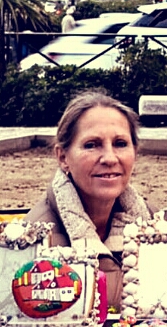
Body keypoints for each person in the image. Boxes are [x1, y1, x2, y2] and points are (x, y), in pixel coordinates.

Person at [24, 90, 153, 310]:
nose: (110, 158)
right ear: (63, 157)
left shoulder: (153, 223)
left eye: (120, 143)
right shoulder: (36, 239)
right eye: (92, 145)